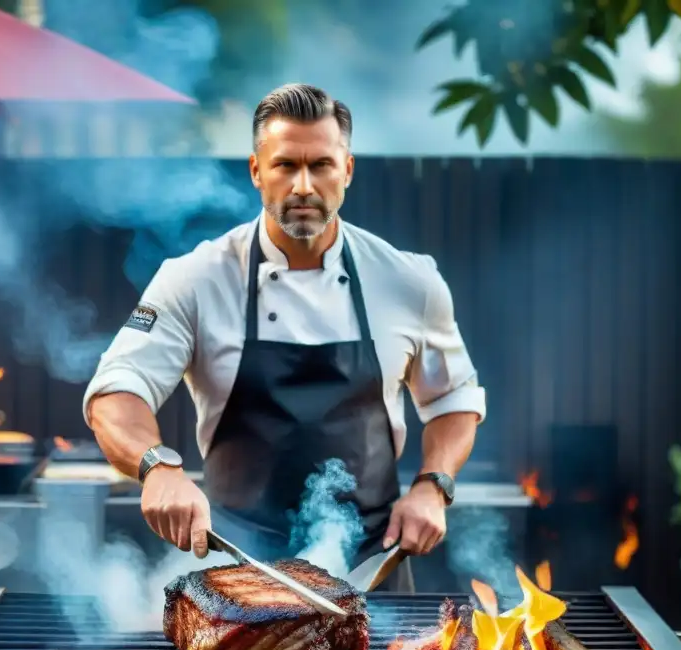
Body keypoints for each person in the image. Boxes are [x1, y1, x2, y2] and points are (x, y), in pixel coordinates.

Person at [83, 84, 485, 591]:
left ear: (347, 171)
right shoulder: (196, 279)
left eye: (320, 165)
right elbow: (116, 390)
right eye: (284, 166)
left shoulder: (408, 281)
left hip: (370, 572)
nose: (302, 186)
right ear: (256, 171)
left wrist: (433, 484)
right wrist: (155, 466)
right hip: (232, 572)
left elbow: (453, 397)